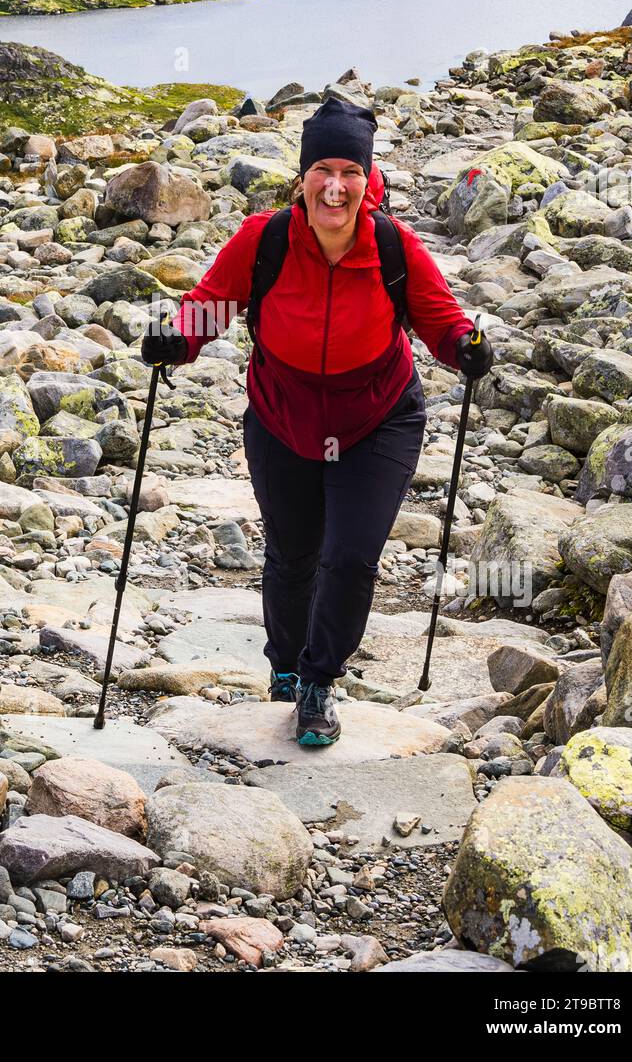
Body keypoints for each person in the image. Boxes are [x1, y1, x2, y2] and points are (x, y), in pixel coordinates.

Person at [141, 96, 492, 747]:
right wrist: (174, 340)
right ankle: (283, 666)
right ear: (302, 176)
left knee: (351, 557)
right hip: (283, 417)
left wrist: (464, 348)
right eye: (322, 170)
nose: (335, 186)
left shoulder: (392, 245)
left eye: (348, 172)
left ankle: (318, 683)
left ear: (366, 179)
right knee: (292, 554)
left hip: (377, 419)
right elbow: (210, 305)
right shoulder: (264, 239)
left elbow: (440, 320)